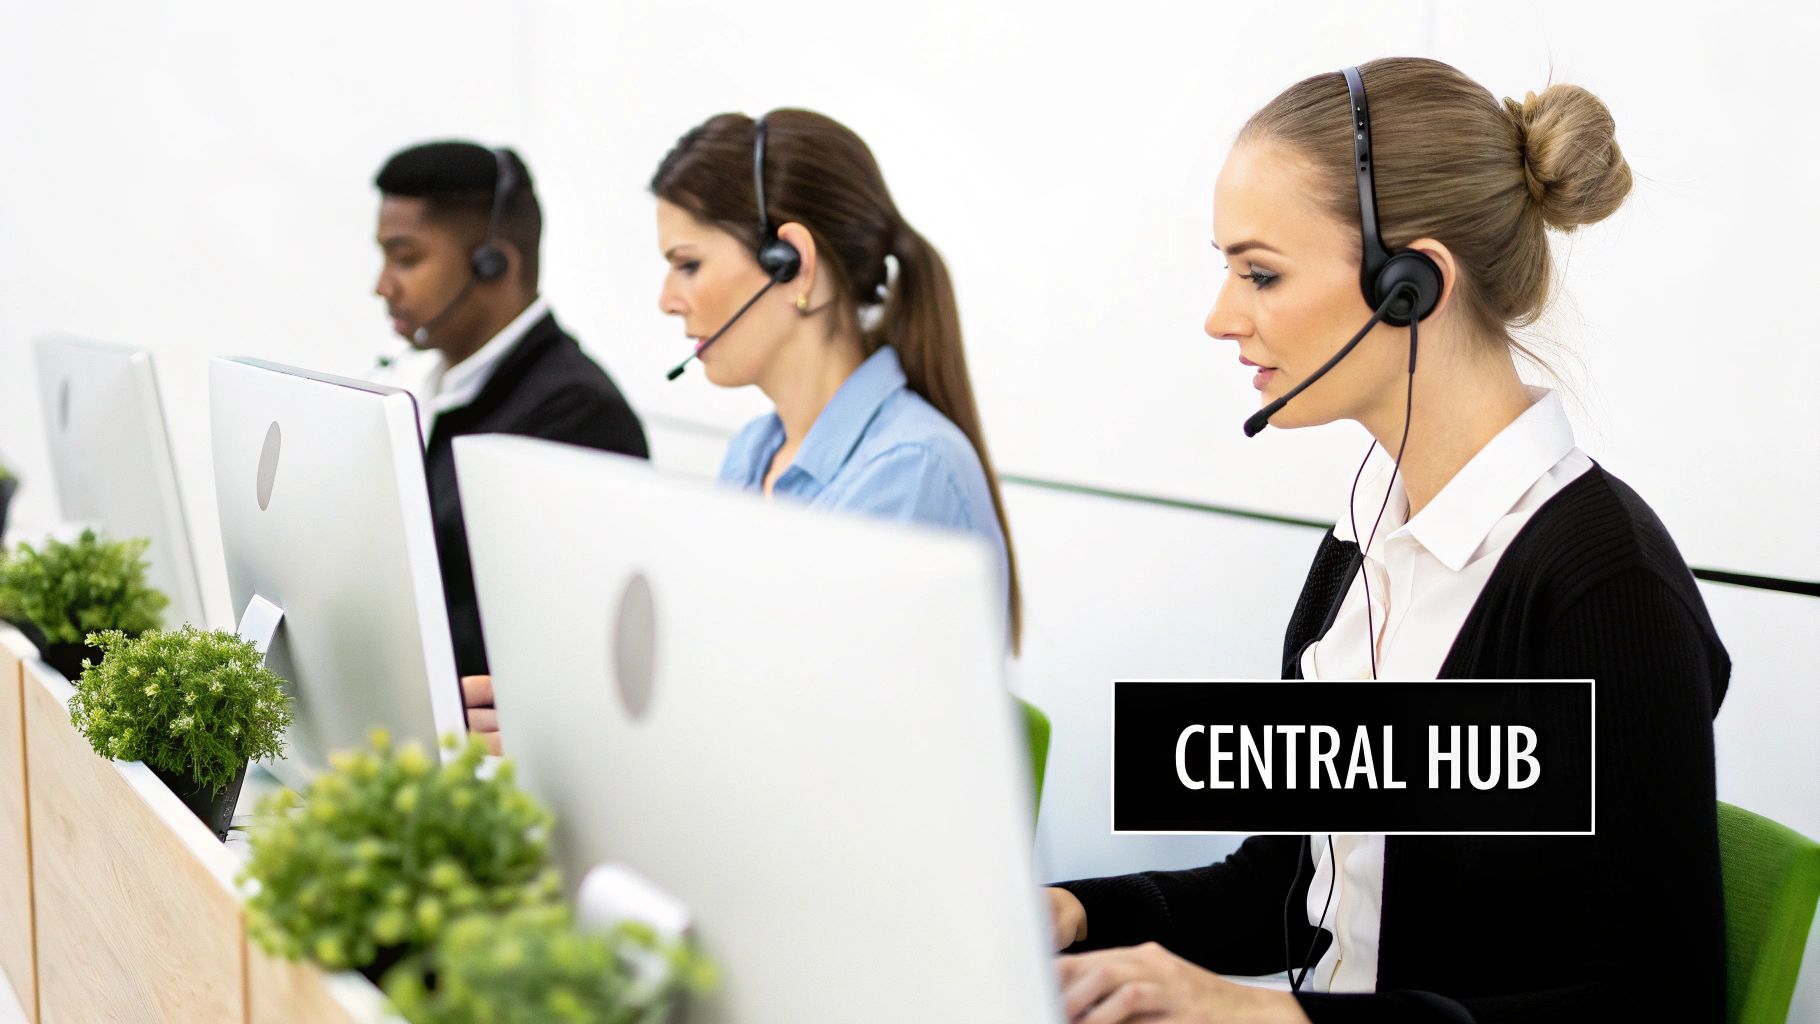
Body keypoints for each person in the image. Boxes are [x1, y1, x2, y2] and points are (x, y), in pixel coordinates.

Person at [1044, 58, 1728, 1023]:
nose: (1219, 317)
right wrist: (1074, 913)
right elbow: (1283, 887)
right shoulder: (1368, 541)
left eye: (1260, 272)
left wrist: (1277, 1018)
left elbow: (1652, 1006)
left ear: (1412, 284)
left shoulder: (1602, 583)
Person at [651, 109, 1022, 646]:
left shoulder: (907, 472)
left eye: (688, 265)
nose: (667, 301)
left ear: (793, 263)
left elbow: (802, 710)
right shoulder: (753, 453)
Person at [371, 141, 648, 683]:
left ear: (492, 264)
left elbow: (555, 649)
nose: (382, 285)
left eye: (405, 258)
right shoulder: (419, 382)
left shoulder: (578, 418)